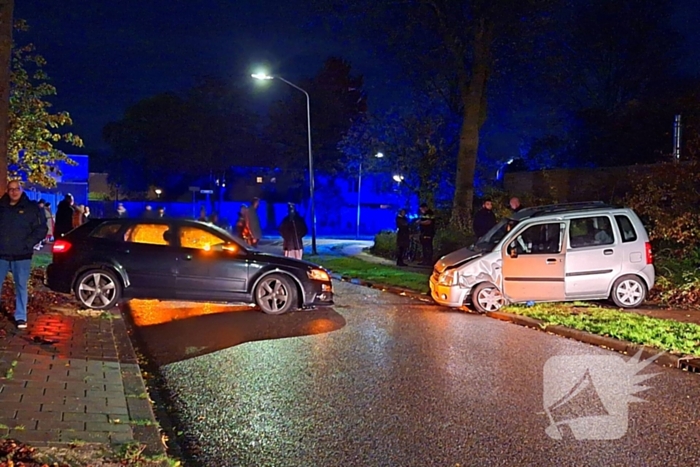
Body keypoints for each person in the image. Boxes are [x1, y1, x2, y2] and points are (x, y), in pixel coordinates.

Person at [0, 181, 48, 329]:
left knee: (21, 286)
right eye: (11, 189)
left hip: (22, 255)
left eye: (17, 189)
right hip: (1, 253)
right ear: (7, 191)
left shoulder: (32, 208)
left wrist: (28, 244)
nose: (14, 192)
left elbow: (41, 229)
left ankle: (20, 316)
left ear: (21, 190)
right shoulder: (1, 207)